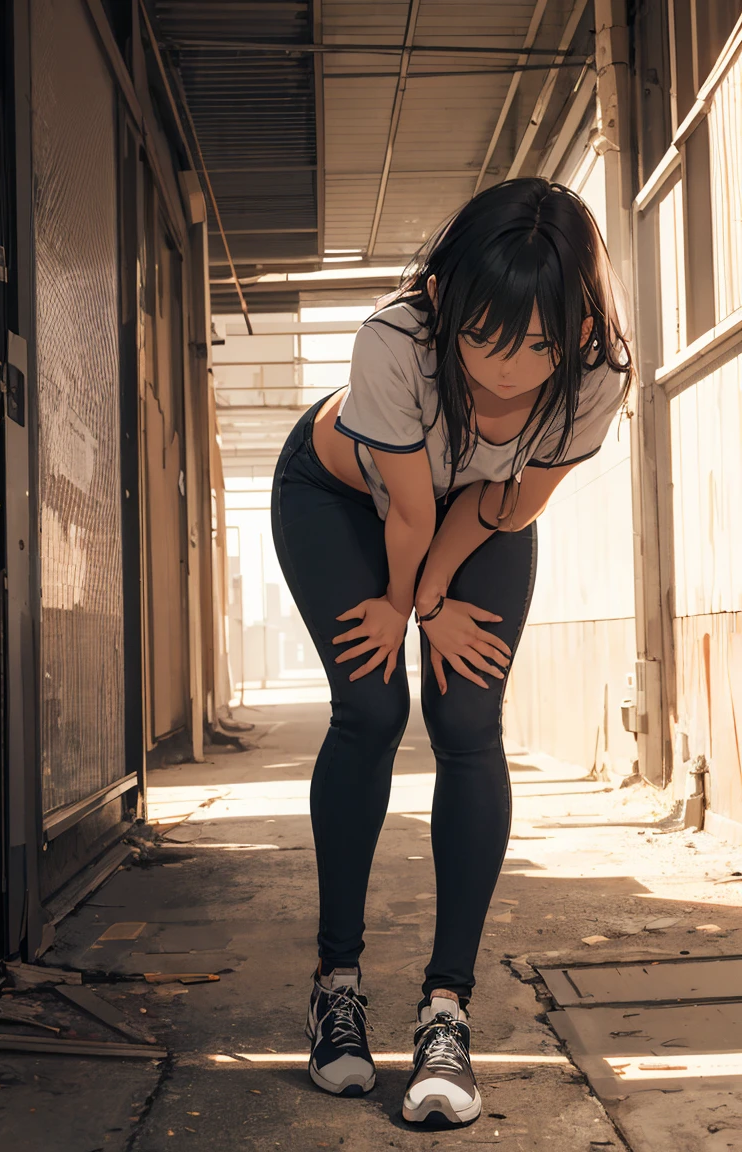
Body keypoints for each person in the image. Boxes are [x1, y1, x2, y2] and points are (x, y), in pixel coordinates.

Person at [271, 177, 633, 1127]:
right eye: (484, 340)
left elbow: (504, 504)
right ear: (443, 300)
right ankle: (337, 987)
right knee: (374, 707)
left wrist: (429, 600)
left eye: (541, 344)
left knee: (469, 718)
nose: (511, 371)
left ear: (580, 324)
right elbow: (409, 509)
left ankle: (446, 1012)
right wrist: (406, 608)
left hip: (477, 517)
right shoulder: (393, 339)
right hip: (342, 500)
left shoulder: (598, 374)